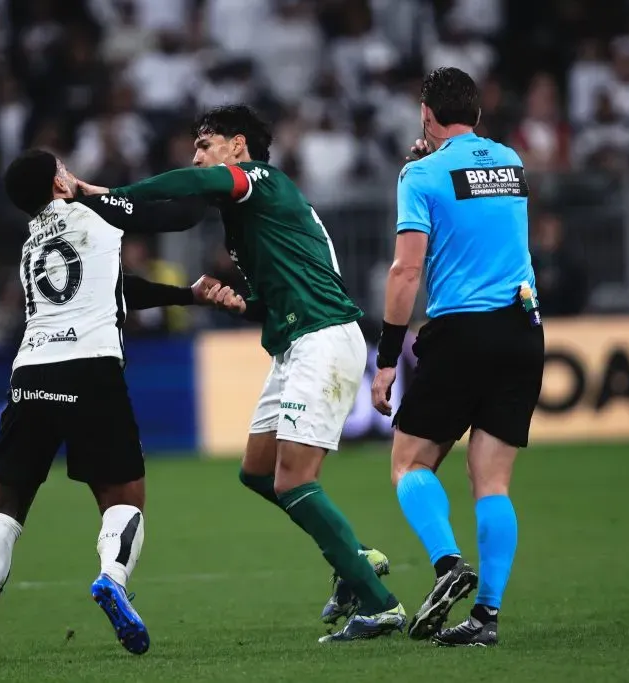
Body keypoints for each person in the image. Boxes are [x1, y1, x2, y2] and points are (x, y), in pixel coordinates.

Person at [79, 105, 403, 643]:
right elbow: (278, 292)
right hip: (294, 340)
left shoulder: (259, 180)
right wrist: (241, 305)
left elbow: (193, 181)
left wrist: (108, 195)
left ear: (238, 145)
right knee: (257, 471)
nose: (198, 155)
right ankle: (356, 559)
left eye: (206, 144)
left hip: (321, 338)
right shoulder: (249, 214)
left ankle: (380, 603)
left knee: (294, 479)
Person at [0, 149, 241, 664]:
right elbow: (175, 216)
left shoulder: (31, 243)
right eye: (62, 167)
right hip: (91, 369)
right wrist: (216, 181)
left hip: (31, 372)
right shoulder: (98, 210)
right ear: (60, 181)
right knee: (124, 497)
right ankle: (112, 579)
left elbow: (115, 289)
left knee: (5, 505)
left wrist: (184, 296)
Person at [371, 67, 545, 647]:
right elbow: (476, 181)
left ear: (425, 112)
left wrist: (389, 357)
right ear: (477, 112)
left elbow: (406, 270)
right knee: (492, 484)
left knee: (409, 464)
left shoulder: (419, 175)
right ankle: (486, 618)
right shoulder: (512, 162)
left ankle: (449, 566)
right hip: (523, 329)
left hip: (462, 332)